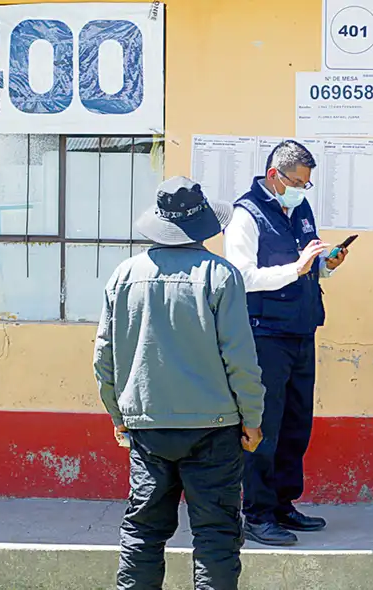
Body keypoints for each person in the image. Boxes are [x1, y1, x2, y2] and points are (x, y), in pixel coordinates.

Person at [94, 176, 265, 590]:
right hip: (215, 428)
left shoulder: (123, 275)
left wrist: (120, 415)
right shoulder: (220, 276)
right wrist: (253, 418)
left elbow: (104, 359)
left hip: (147, 425)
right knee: (217, 535)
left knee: (143, 533)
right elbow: (240, 359)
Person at [224, 140, 348, 546]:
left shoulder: (300, 208)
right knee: (264, 427)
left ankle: (282, 504)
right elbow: (241, 276)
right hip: (265, 335)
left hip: (301, 331)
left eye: (307, 184)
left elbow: (305, 268)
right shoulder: (247, 216)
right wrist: (295, 269)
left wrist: (324, 266)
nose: (302, 189)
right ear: (275, 175)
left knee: (296, 425)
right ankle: (256, 514)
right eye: (297, 182)